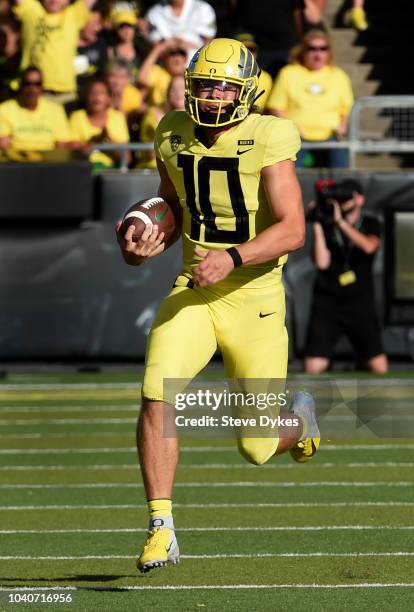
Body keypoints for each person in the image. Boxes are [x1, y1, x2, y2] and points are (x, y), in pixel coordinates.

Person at [116, 37, 320, 574]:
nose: (209, 95)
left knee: (255, 447)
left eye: (222, 86)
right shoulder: (171, 131)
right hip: (195, 287)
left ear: (246, 91)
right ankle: (162, 526)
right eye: (203, 83)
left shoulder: (269, 134)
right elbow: (175, 205)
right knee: (157, 388)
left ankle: (300, 420)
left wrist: (233, 257)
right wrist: (143, 239)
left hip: (253, 298)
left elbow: (293, 229)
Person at [305, 178, 388, 374]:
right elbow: (321, 263)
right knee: (313, 366)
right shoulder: (327, 223)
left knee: (379, 366)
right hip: (328, 301)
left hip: (359, 302)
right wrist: (317, 223)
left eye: (347, 196)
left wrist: (340, 223)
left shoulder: (370, 222)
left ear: (360, 199)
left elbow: (369, 246)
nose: (342, 201)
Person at [267, 28, 354, 168]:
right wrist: (292, 129)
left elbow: (347, 108)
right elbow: (276, 107)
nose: (317, 54)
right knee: (289, 171)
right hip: (296, 137)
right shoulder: (288, 73)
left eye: (323, 48)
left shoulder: (339, 76)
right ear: (303, 51)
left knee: (341, 173)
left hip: (331, 136)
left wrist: (342, 126)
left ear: (329, 52)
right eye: (312, 49)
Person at [13, 0, 95, 102]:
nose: (54, 0)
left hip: (65, 94)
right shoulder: (32, 10)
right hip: (32, 90)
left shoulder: (73, 15)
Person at [0, 65, 71, 157]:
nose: (32, 89)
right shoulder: (4, 109)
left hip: (49, 162)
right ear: (21, 86)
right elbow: (4, 147)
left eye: (37, 84)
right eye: (27, 84)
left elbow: (62, 146)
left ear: (42, 87)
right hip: (16, 162)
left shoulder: (56, 110)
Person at [69, 77, 130, 168]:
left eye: (101, 93)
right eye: (92, 93)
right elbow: (72, 154)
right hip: (84, 169)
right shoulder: (77, 117)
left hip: (110, 171)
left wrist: (107, 141)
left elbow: (127, 158)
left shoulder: (118, 117)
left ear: (109, 98)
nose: (97, 97)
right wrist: (95, 141)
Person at [137, 74, 185, 168]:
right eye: (174, 89)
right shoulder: (153, 114)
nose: (178, 93)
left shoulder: (195, 118)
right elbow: (152, 153)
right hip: (153, 168)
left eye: (182, 88)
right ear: (167, 92)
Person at [144, 0, 216, 60]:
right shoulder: (154, 13)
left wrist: (174, 43)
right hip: (166, 70)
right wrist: (182, 45)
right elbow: (157, 50)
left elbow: (208, 46)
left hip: (199, 66)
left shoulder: (203, 9)